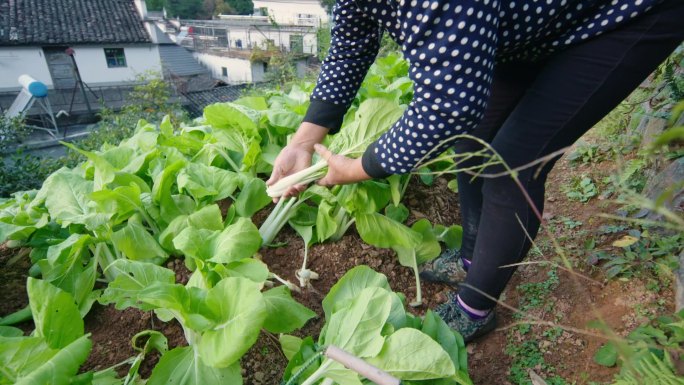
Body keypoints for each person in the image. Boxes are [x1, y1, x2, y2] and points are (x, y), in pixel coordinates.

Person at [267, 0, 684, 342]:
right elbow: (350, 46)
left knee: (511, 165)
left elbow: (448, 107)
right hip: (526, 24)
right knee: (474, 144)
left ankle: (476, 306)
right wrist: (303, 142)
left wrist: (358, 168)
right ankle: (471, 258)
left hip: (621, 18)